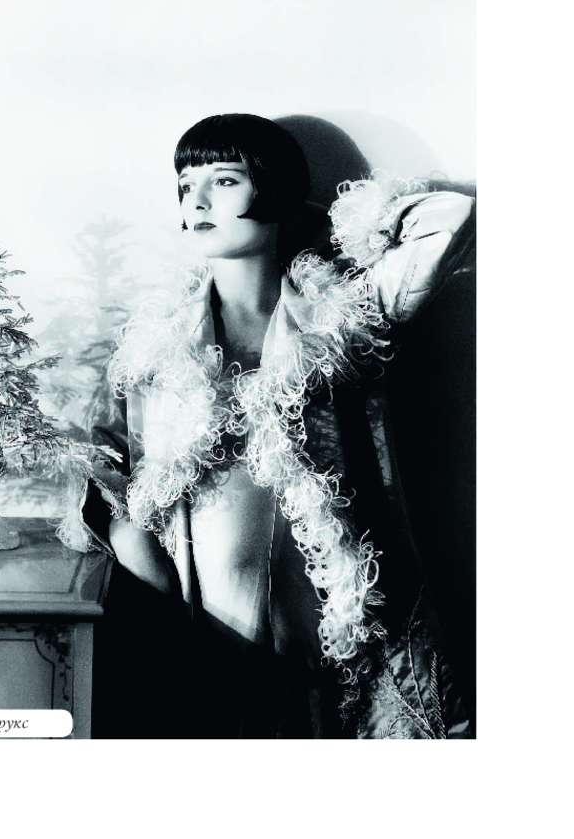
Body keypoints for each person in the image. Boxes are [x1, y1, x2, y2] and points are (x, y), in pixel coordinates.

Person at [61, 113, 475, 738]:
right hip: (204, 629)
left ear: (276, 192)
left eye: (224, 181)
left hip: (332, 631)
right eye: (186, 185)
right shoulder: (153, 346)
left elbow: (451, 218)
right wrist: (154, 579)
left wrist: (330, 219)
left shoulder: (341, 319)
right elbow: (106, 472)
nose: (197, 201)